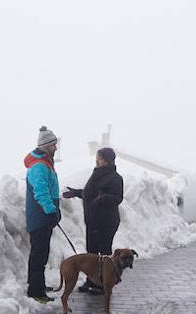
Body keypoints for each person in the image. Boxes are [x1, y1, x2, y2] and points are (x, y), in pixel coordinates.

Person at [63, 147, 125, 293]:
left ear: (106, 160)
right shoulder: (96, 174)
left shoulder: (115, 178)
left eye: (99, 158)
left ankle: (104, 284)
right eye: (97, 157)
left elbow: (118, 198)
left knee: (103, 254)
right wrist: (77, 192)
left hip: (106, 222)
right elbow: (90, 193)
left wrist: (104, 198)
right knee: (91, 253)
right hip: (93, 222)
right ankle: (91, 280)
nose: (96, 160)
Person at [24, 125, 62, 302]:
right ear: (46, 146)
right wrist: (49, 211)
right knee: (39, 254)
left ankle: (38, 285)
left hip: (44, 216)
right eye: (54, 145)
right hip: (39, 217)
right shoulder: (39, 166)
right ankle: (35, 291)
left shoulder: (45, 163)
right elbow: (41, 191)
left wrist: (55, 211)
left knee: (42, 252)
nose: (56, 148)